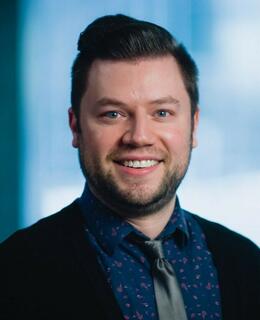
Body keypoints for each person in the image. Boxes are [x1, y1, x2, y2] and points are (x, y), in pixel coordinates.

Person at [0, 14, 259, 320]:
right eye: (113, 114)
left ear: (194, 126)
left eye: (162, 112)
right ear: (76, 126)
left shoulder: (247, 264)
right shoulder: (14, 272)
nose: (139, 137)